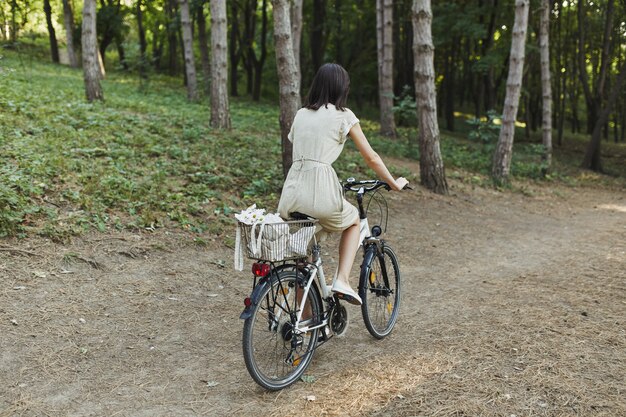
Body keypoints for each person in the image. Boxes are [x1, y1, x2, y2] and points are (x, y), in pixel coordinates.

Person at [278, 63, 408, 306]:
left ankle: (305, 321)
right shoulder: (344, 115)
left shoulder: (301, 114)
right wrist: (393, 182)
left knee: (302, 256)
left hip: (293, 191)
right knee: (353, 221)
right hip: (320, 189)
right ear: (341, 89)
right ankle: (342, 280)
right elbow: (371, 157)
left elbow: (300, 145)